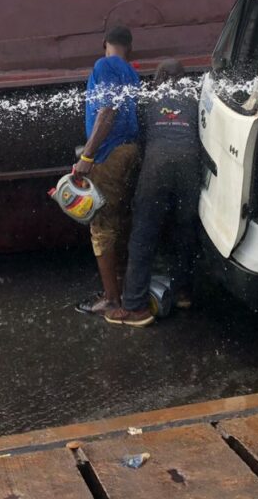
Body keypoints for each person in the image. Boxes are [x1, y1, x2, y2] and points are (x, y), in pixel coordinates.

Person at [106, 59, 201, 328]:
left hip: (156, 167)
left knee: (143, 235)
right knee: (185, 232)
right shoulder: (195, 98)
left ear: (158, 78)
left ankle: (135, 307)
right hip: (190, 167)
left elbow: (139, 137)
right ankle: (183, 293)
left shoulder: (148, 100)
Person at [73, 25, 141, 315]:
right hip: (130, 151)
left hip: (108, 154)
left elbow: (107, 110)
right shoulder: (132, 72)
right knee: (121, 219)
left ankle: (112, 300)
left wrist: (87, 156)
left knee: (100, 224)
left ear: (104, 44)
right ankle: (125, 289)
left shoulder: (104, 65)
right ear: (130, 47)